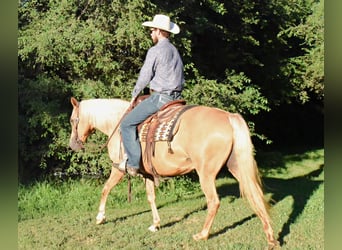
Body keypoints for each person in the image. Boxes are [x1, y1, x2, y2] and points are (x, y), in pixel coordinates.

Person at [119, 14, 185, 176]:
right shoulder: (174, 51)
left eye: (152, 31)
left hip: (160, 98)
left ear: (159, 32)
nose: (150, 34)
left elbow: (145, 75)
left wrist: (135, 94)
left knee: (126, 124)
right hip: (177, 99)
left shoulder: (155, 50)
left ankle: (134, 164)